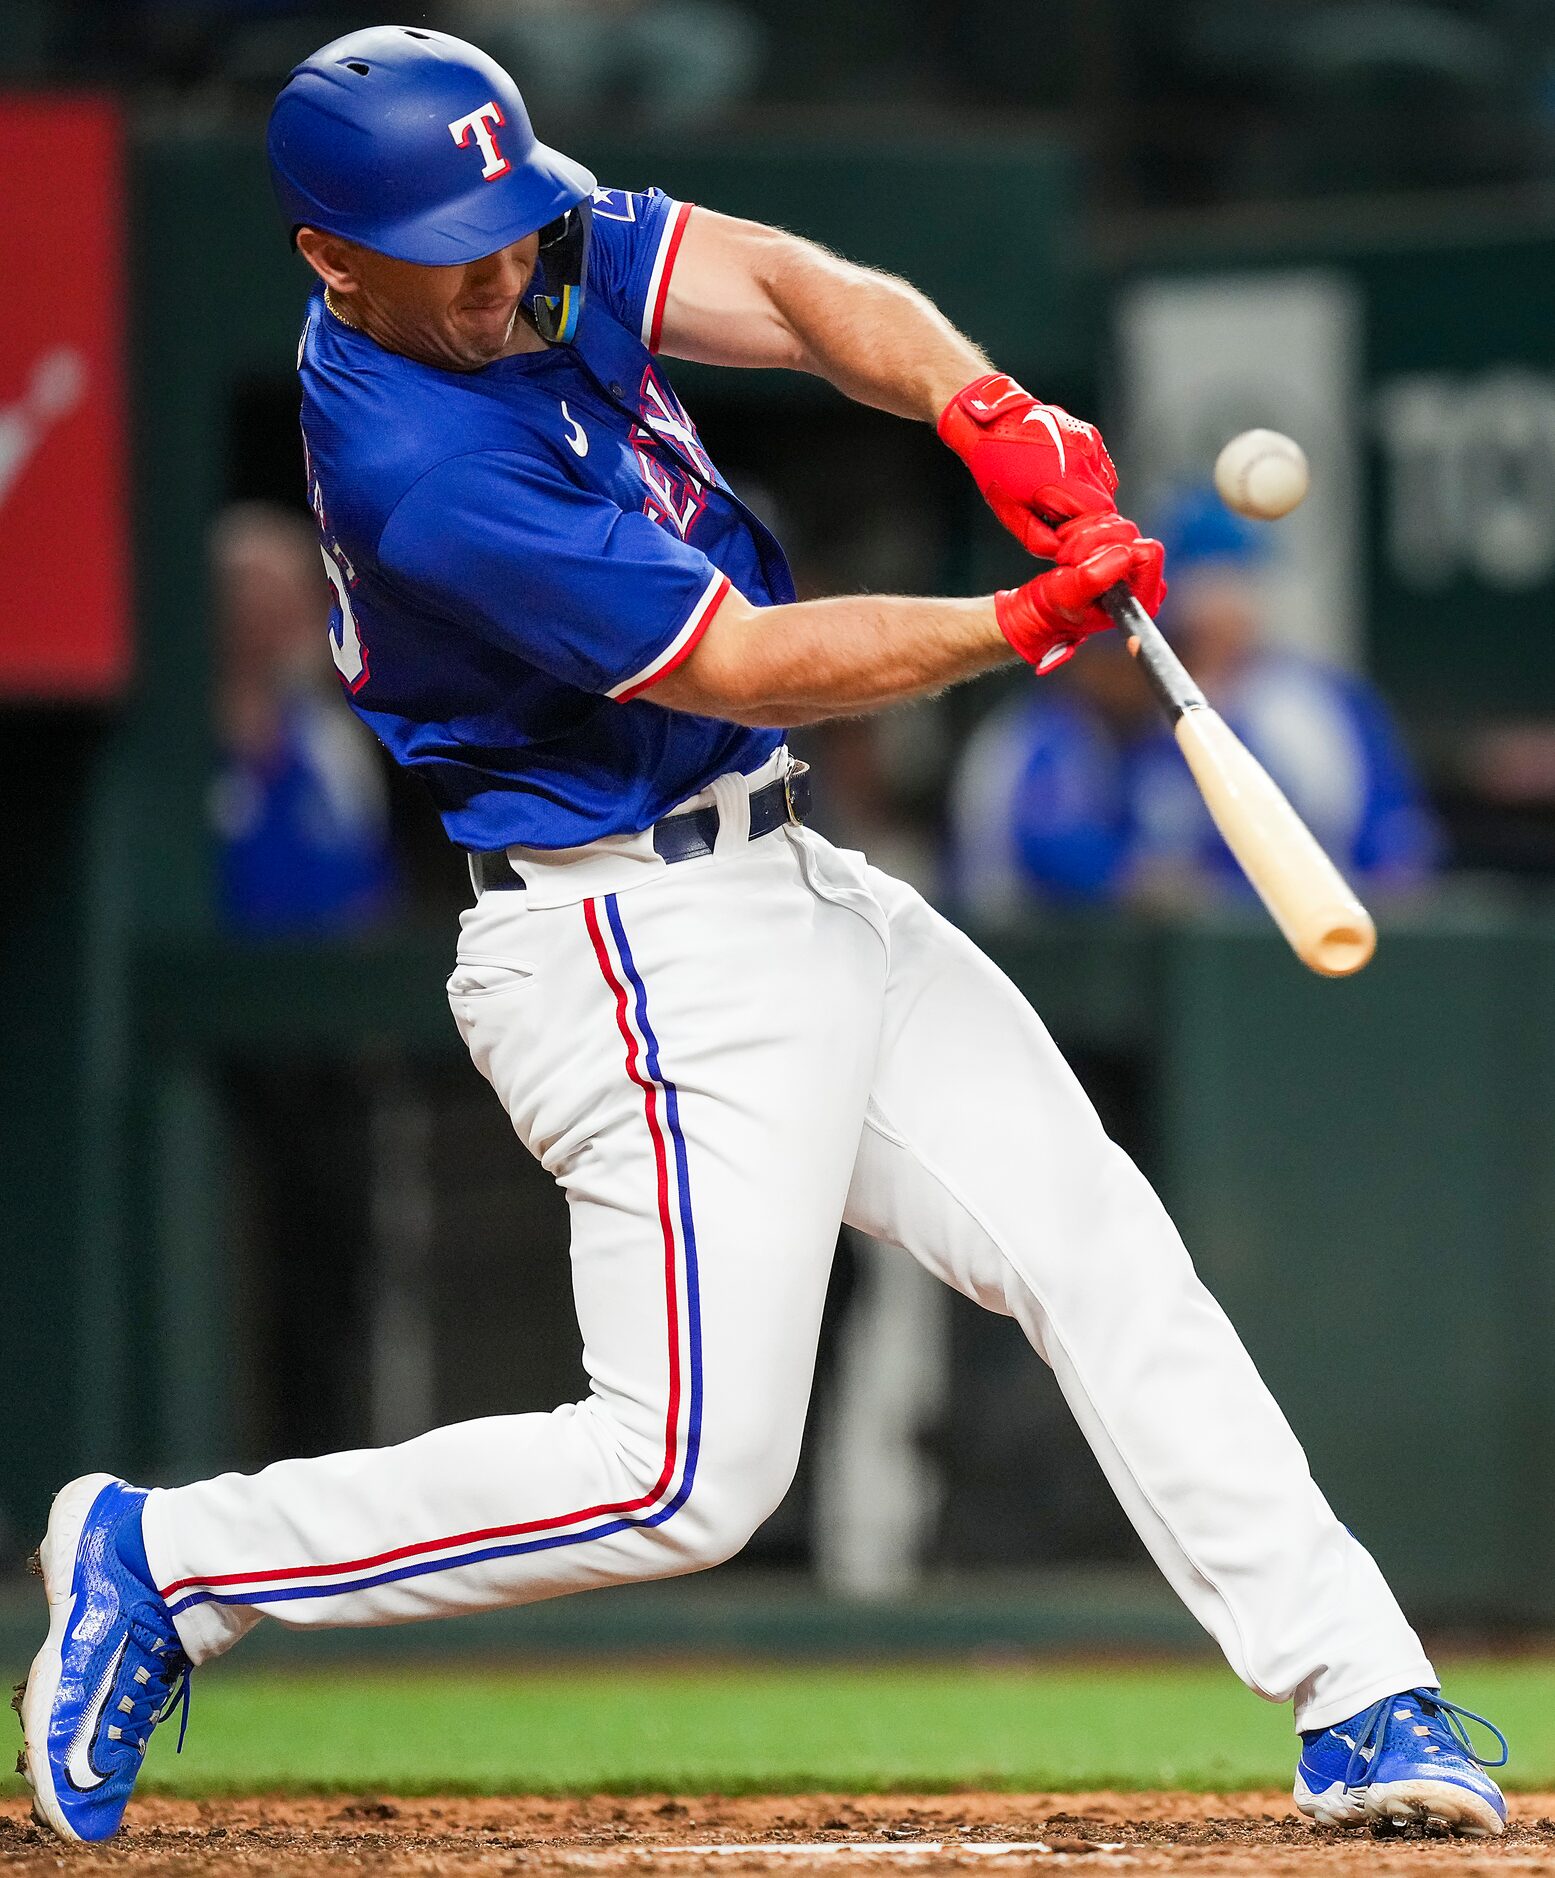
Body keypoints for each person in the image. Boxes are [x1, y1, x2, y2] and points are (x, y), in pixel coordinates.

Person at [17, 26, 1506, 1845]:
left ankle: (1365, 1693)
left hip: (788, 878)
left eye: (509, 220)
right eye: (451, 246)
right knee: (680, 1479)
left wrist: (984, 405)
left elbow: (798, 295)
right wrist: (1016, 620)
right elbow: (734, 657)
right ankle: (168, 1557)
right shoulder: (416, 464)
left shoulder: (527, 238)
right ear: (332, 260)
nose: (504, 267)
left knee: (1095, 1239)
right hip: (628, 939)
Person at [951, 491, 1438, 919]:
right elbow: (1061, 849)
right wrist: (1139, 882)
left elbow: (1392, 843)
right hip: (1033, 959)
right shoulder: (1069, 730)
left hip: (1317, 934)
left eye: (1231, 585)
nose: (1218, 609)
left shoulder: (1319, 704)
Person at [210, 500, 397, 935]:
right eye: (251, 596)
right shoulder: (179, 742)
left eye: (291, 596)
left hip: (325, 984)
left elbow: (371, 882)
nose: (272, 616)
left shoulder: (332, 740)